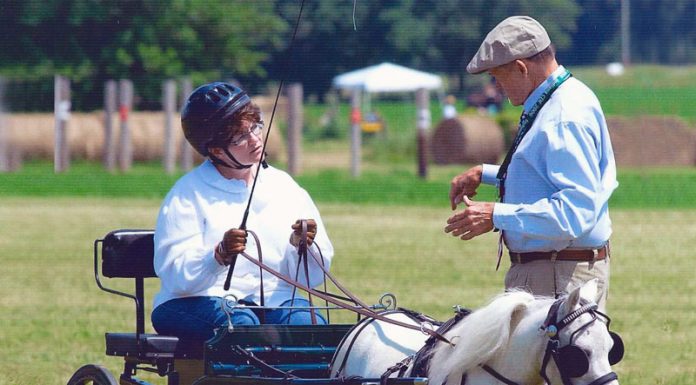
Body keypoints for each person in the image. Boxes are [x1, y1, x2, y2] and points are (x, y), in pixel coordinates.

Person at [444, 16, 617, 310]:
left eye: (498, 77)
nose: (497, 87)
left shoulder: (565, 115)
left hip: (558, 277)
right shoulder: (556, 100)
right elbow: (542, 175)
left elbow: (574, 213)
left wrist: (496, 215)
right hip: (553, 271)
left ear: (521, 68)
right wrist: (486, 174)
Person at [152, 81, 333, 343]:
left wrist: (303, 246)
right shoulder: (187, 194)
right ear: (215, 150)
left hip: (272, 299)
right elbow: (175, 275)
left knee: (310, 327)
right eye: (240, 136)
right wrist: (218, 255)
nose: (255, 139)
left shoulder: (285, 187)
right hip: (193, 301)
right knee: (244, 326)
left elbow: (313, 275)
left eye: (255, 127)